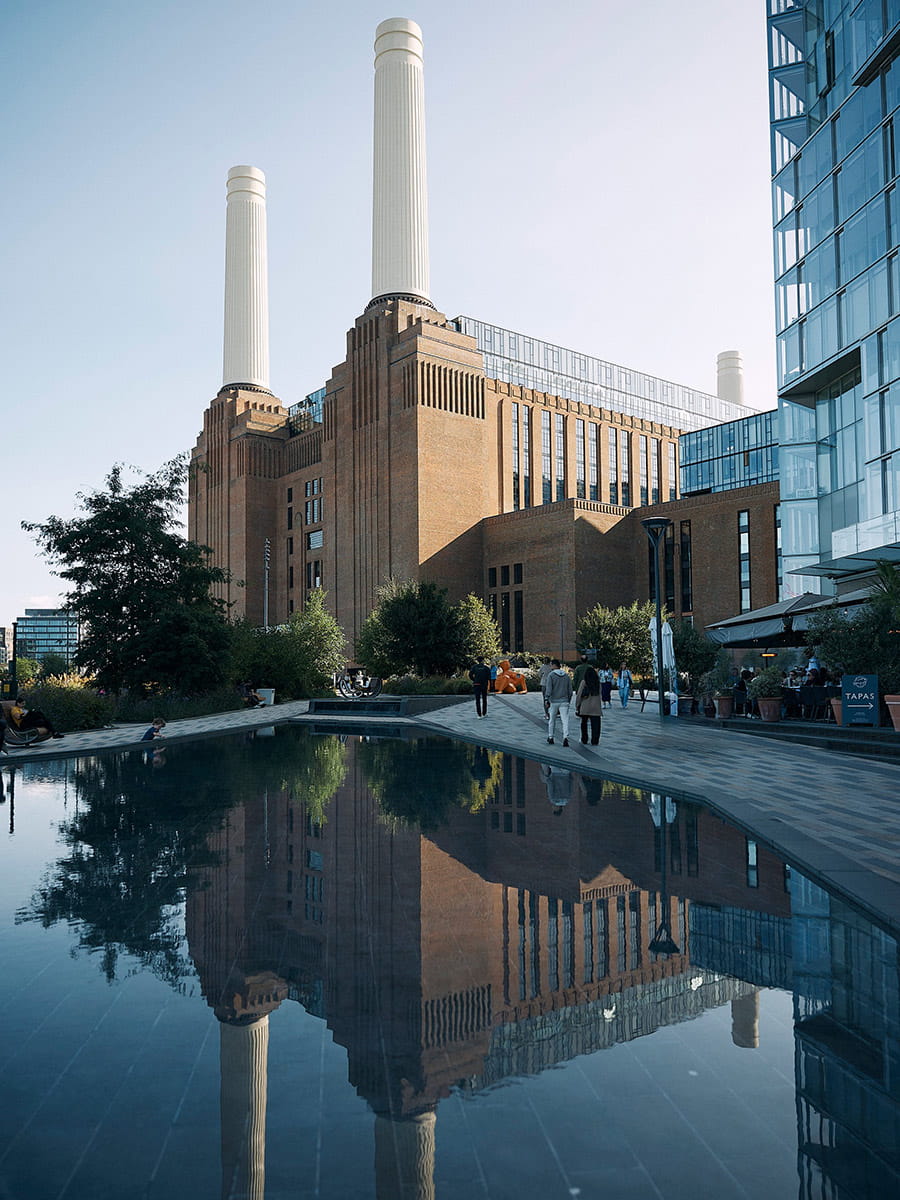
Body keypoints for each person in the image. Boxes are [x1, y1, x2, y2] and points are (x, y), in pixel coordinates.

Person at [543, 659, 573, 746]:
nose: (550, 666)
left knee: (552, 720)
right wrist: (568, 700)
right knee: (565, 720)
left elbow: (549, 689)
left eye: (551, 665)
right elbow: (570, 691)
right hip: (564, 701)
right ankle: (565, 737)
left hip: (554, 701)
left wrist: (546, 699)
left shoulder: (551, 675)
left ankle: (551, 737)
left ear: (554, 665)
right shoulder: (566, 676)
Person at [575, 665, 603, 745]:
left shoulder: (584, 682)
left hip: (585, 706)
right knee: (596, 725)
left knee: (584, 723)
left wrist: (577, 705)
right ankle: (595, 740)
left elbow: (579, 694)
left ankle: (584, 739)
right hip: (596, 707)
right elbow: (600, 693)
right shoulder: (598, 683)